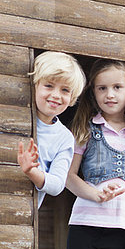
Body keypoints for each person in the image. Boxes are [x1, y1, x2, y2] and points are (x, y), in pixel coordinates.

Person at [65, 59, 125, 249]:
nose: (110, 94)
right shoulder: (86, 128)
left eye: (117, 87)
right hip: (85, 223)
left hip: (121, 226)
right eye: (102, 88)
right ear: (93, 93)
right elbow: (69, 177)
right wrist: (95, 194)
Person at [17, 51, 86, 209]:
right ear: (34, 86)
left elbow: (57, 185)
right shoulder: (14, 116)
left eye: (65, 90)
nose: (56, 95)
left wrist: (32, 171)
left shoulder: (64, 138)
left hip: (23, 213)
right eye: (48, 86)